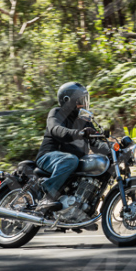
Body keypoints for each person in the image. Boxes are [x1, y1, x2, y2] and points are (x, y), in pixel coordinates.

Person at [35, 82, 110, 210]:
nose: (84, 104)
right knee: (70, 160)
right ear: (67, 101)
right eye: (80, 101)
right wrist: (79, 133)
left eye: (85, 100)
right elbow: (56, 130)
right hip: (49, 156)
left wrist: (114, 148)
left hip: (72, 161)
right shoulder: (56, 113)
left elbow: (95, 143)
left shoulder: (84, 120)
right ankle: (48, 197)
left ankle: (84, 208)